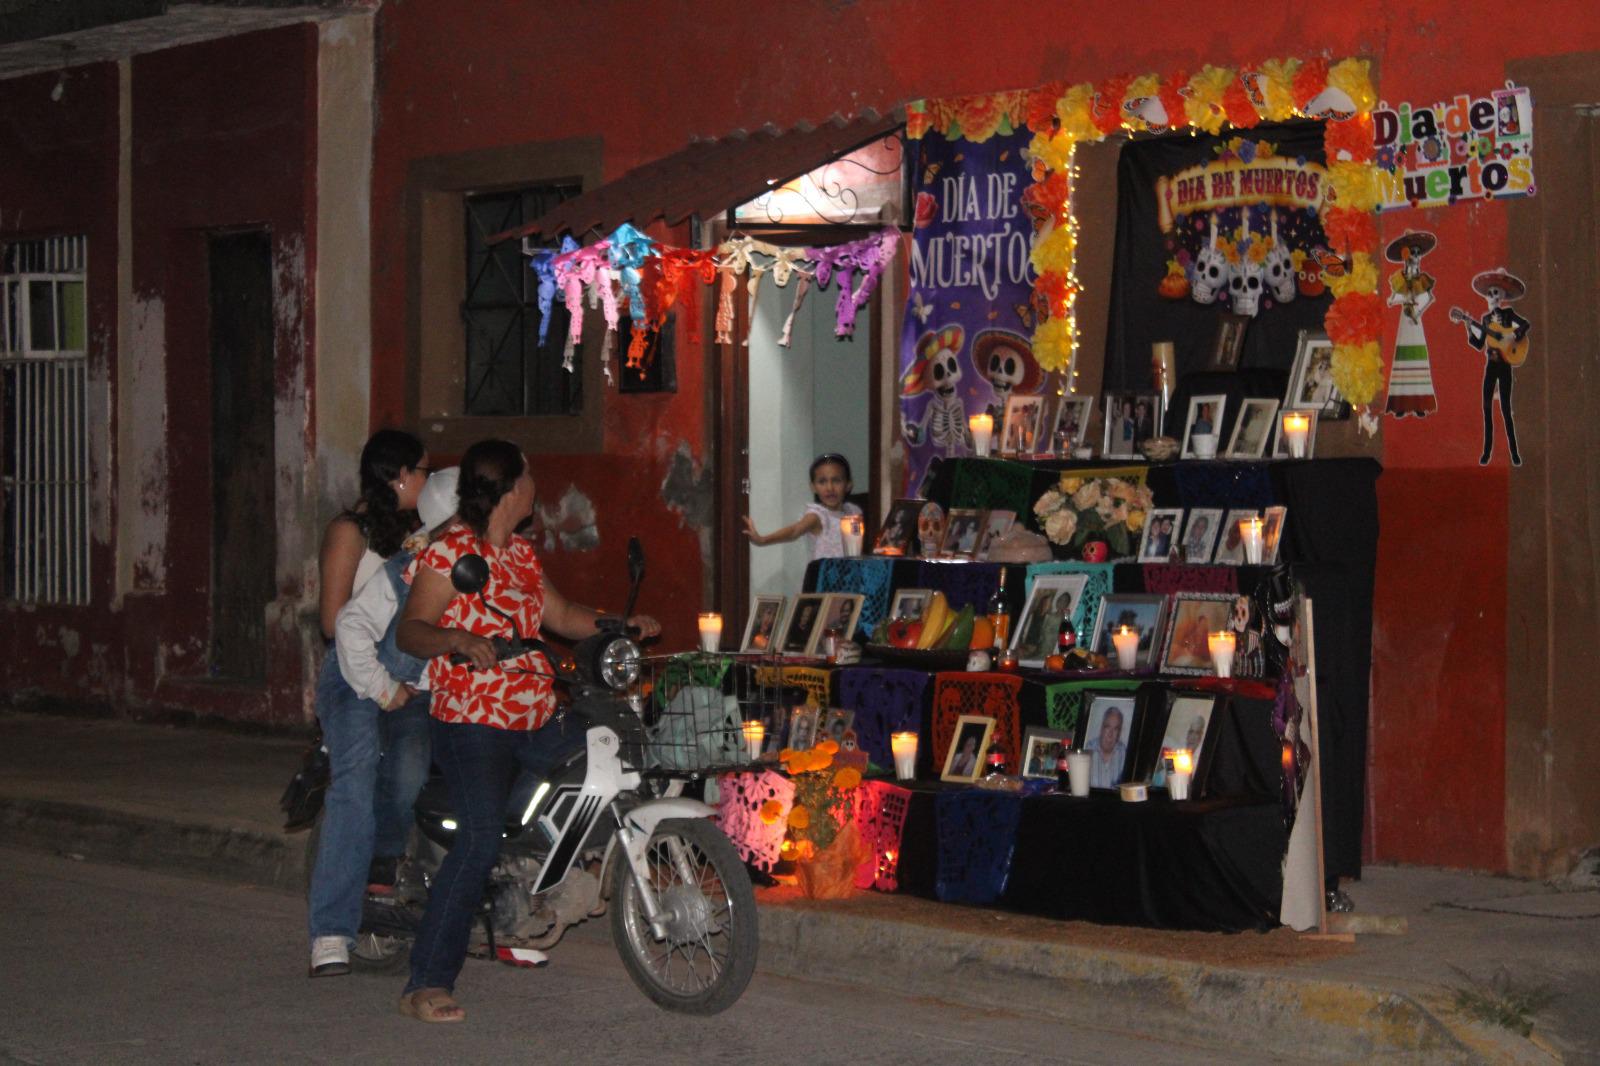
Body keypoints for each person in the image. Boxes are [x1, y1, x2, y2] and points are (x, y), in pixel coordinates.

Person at [394, 440, 660, 1023]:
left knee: (605, 756)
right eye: (531, 474)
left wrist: (621, 623)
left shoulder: (519, 555)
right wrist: (457, 640)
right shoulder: (449, 553)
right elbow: (411, 631)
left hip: (534, 715)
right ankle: (426, 982)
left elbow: (562, 617)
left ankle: (535, 885)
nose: (535, 484)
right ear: (512, 488)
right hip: (471, 723)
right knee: (480, 837)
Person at [307, 429, 430, 978]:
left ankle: (381, 881)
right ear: (398, 475)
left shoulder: (421, 536)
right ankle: (330, 932)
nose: (427, 480)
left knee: (413, 770)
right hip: (352, 676)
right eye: (423, 470)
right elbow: (334, 623)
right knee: (354, 782)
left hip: (408, 676)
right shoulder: (349, 531)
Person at [742, 453, 862, 560]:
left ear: (848, 485)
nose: (829, 488)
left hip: (850, 579)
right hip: (823, 580)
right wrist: (762, 540)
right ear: (813, 487)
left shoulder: (853, 512)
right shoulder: (818, 516)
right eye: (822, 482)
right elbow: (795, 530)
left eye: (836, 481)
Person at [1088, 707, 1127, 788]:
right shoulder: (1087, 750)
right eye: (1107, 727)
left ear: (1119, 733)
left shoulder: (1125, 754)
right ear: (1102, 728)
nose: (1110, 734)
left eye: (1115, 729)